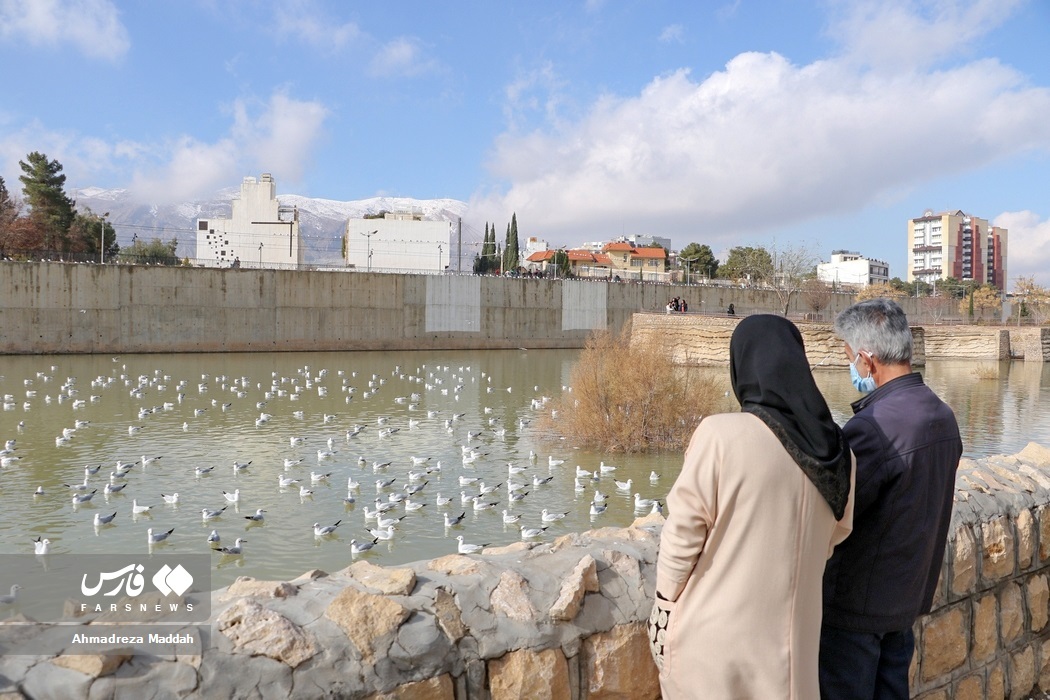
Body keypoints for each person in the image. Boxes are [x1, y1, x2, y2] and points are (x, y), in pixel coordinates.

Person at [649, 314, 855, 699]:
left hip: (712, 648)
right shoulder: (838, 451)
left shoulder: (720, 435)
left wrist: (663, 611)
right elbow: (835, 536)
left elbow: (681, 538)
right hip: (792, 653)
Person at [819, 298, 962, 700]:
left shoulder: (875, 426)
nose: (851, 368)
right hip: (906, 598)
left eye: (849, 357)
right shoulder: (941, 413)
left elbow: (838, 511)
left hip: (857, 609)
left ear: (867, 359)